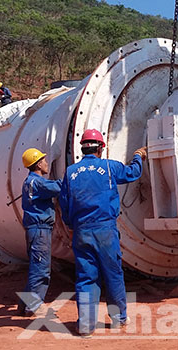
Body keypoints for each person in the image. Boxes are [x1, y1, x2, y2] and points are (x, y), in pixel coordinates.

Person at [59, 129, 147, 337]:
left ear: (83, 148)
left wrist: (72, 225)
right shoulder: (108, 167)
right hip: (105, 230)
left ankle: (86, 325)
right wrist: (138, 156)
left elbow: (64, 203)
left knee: (86, 277)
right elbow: (133, 173)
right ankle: (118, 319)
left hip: (81, 231)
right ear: (101, 148)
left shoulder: (71, 172)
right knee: (113, 274)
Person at [18, 148, 62, 316]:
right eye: (43, 160)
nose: (46, 163)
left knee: (36, 267)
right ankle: (34, 307)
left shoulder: (30, 181)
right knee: (41, 269)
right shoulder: (38, 182)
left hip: (35, 230)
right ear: (37, 164)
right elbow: (57, 187)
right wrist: (73, 176)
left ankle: (24, 305)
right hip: (40, 230)